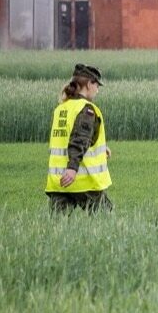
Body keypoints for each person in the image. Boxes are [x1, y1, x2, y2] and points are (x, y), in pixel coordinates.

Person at [46, 63, 113, 213]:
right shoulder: (86, 109)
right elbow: (79, 139)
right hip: (82, 181)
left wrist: (100, 148)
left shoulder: (61, 108)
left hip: (58, 182)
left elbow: (67, 138)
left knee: (57, 230)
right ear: (89, 84)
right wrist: (72, 168)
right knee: (107, 222)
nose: (97, 90)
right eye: (97, 85)